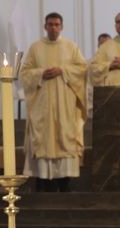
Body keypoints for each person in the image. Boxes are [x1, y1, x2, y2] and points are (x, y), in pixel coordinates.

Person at [20, 13, 87, 192]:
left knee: (64, 137)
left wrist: (63, 71)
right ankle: (44, 183)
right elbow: (25, 73)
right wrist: (40, 73)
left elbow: (82, 69)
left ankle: (65, 185)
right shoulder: (35, 48)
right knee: (44, 139)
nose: (54, 28)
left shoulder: (71, 47)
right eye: (50, 25)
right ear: (45, 26)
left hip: (65, 107)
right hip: (43, 107)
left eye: (57, 25)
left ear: (62, 27)